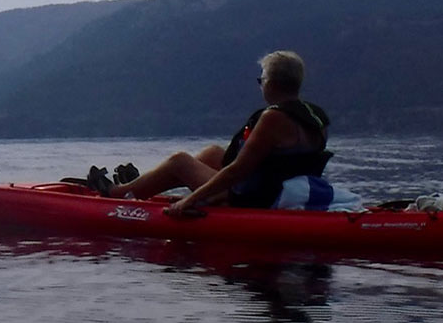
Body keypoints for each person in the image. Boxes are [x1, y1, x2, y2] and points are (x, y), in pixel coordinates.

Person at [92, 51, 332, 216]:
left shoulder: (273, 118)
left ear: (270, 83)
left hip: (259, 198)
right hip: (275, 187)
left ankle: (119, 195)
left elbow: (238, 171)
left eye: (262, 80)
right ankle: (140, 185)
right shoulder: (315, 115)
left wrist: (191, 200)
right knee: (212, 153)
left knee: (180, 162)